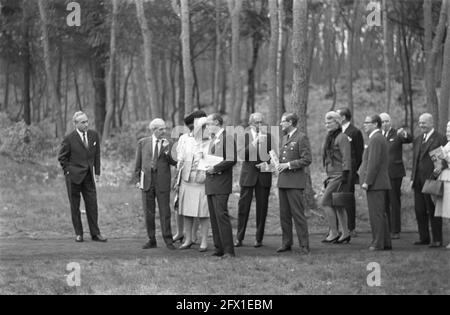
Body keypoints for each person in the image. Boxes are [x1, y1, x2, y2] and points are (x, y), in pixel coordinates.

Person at [58, 111, 107, 243]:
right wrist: (68, 172)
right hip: (73, 177)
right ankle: (79, 233)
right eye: (83, 122)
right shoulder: (69, 138)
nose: (86, 124)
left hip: (88, 177)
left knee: (92, 205)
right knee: (75, 206)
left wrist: (97, 172)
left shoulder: (93, 135)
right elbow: (62, 157)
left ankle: (95, 234)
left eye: (87, 121)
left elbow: (97, 155)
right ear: (75, 124)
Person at [134, 118, 177, 250]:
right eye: (161, 129)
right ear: (153, 130)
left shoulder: (169, 143)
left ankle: (168, 240)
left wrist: (167, 152)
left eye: (165, 128)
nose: (164, 131)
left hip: (162, 181)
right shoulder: (143, 142)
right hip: (147, 181)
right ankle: (151, 239)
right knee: (149, 212)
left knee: (165, 212)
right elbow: (138, 164)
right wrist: (137, 180)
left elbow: (174, 162)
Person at [235, 113, 272, 248]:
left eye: (261, 122)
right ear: (251, 123)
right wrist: (254, 143)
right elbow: (241, 155)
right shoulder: (243, 136)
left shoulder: (268, 137)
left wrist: (267, 165)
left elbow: (273, 158)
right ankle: (239, 238)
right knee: (243, 208)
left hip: (263, 176)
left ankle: (259, 238)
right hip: (248, 176)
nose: (259, 125)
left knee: (262, 209)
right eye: (257, 122)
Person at [276, 113, 312, 255]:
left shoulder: (301, 137)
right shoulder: (285, 138)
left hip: (295, 182)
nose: (281, 125)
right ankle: (287, 242)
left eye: (283, 122)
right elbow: (281, 160)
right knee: (284, 215)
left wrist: (288, 165)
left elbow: (307, 159)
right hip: (283, 181)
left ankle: (304, 244)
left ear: (290, 122)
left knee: (298, 214)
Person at [411, 113, 447, 248]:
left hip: (432, 181)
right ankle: (424, 237)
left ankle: (437, 239)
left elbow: (443, 160)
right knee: (419, 210)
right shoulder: (418, 139)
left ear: (431, 123)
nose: (421, 125)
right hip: (418, 181)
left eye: (424, 123)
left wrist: (438, 171)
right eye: (420, 123)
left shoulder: (440, 139)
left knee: (433, 210)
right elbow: (415, 160)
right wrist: (412, 178)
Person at [205, 113, 237, 258]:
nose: (207, 127)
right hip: (210, 182)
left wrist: (216, 168)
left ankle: (229, 250)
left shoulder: (227, 138)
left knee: (221, 215)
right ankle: (218, 248)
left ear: (217, 123)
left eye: (208, 124)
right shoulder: (212, 140)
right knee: (213, 217)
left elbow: (231, 159)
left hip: (221, 182)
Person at [177, 116, 211, 252]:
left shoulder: (209, 142)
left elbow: (209, 160)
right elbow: (180, 155)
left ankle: (203, 241)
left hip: (201, 179)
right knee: (187, 211)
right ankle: (188, 239)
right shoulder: (185, 139)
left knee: (203, 212)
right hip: (186, 179)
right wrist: (180, 162)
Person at [359, 115, 392, 251]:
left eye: (367, 122)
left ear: (375, 124)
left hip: (376, 183)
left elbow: (374, 163)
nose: (364, 125)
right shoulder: (375, 138)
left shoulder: (376, 138)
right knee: (380, 214)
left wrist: (367, 181)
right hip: (378, 183)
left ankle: (377, 243)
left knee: (376, 214)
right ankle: (385, 242)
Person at [379, 113, 413, 239]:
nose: (385, 124)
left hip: (395, 173)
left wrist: (405, 134)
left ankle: (395, 230)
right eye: (382, 122)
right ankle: (386, 228)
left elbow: (409, 139)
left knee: (394, 201)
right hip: (382, 174)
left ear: (391, 122)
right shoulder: (378, 135)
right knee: (384, 202)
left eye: (387, 121)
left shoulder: (397, 133)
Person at [321, 111, 352, 244]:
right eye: (326, 122)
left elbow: (346, 157)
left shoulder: (342, 137)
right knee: (338, 205)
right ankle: (345, 233)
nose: (327, 124)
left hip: (339, 175)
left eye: (330, 122)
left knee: (325, 202)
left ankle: (334, 232)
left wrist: (345, 174)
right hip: (331, 175)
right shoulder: (330, 137)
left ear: (337, 122)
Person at [337, 108, 364, 237]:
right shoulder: (336, 132)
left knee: (348, 198)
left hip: (350, 170)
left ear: (343, 117)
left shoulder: (355, 132)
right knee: (337, 198)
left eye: (337, 115)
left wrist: (353, 169)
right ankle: (340, 228)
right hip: (337, 170)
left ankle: (351, 227)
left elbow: (359, 154)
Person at [433, 121, 450, 249]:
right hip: (444, 179)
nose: (448, 132)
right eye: (447, 129)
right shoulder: (448, 144)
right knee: (447, 213)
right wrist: (437, 166)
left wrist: (445, 157)